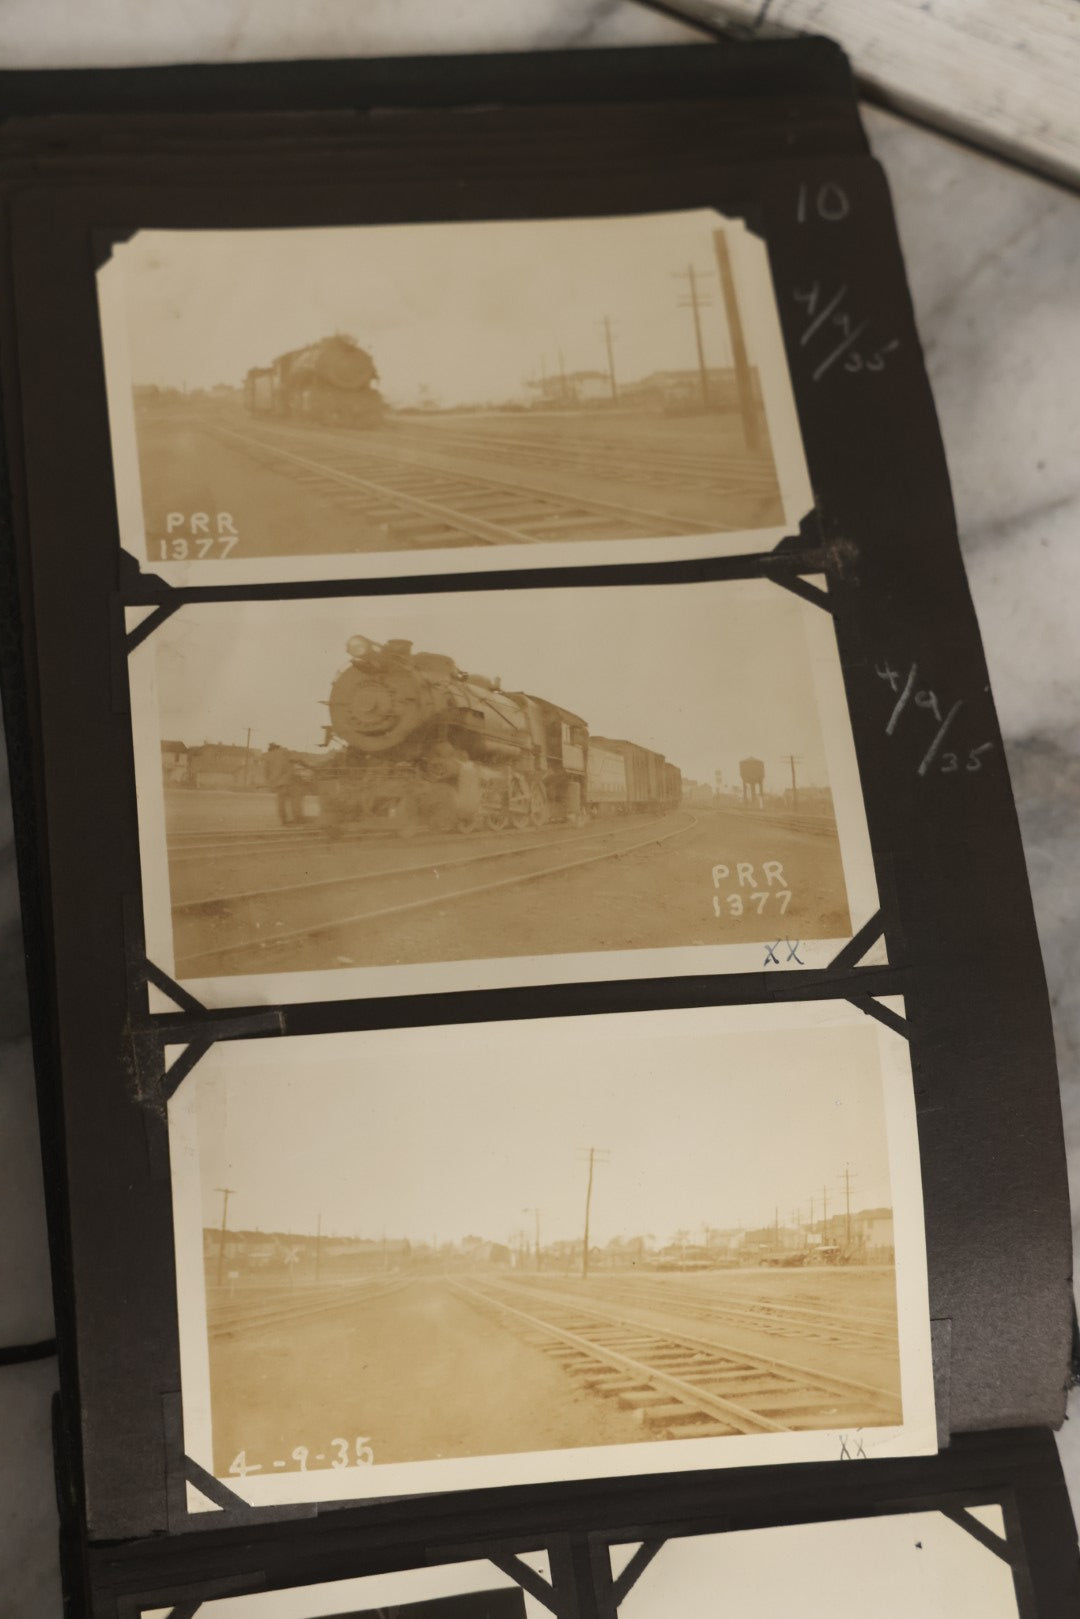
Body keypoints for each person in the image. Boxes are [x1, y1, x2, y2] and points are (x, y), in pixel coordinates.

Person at [265, 742, 307, 825]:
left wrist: (271, 782)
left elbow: (266, 772)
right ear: (277, 747)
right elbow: (298, 759)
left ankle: (284, 821)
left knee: (281, 802)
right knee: (295, 801)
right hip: (290, 782)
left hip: (279, 784)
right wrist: (309, 766)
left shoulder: (267, 757)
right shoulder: (284, 752)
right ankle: (297, 819)